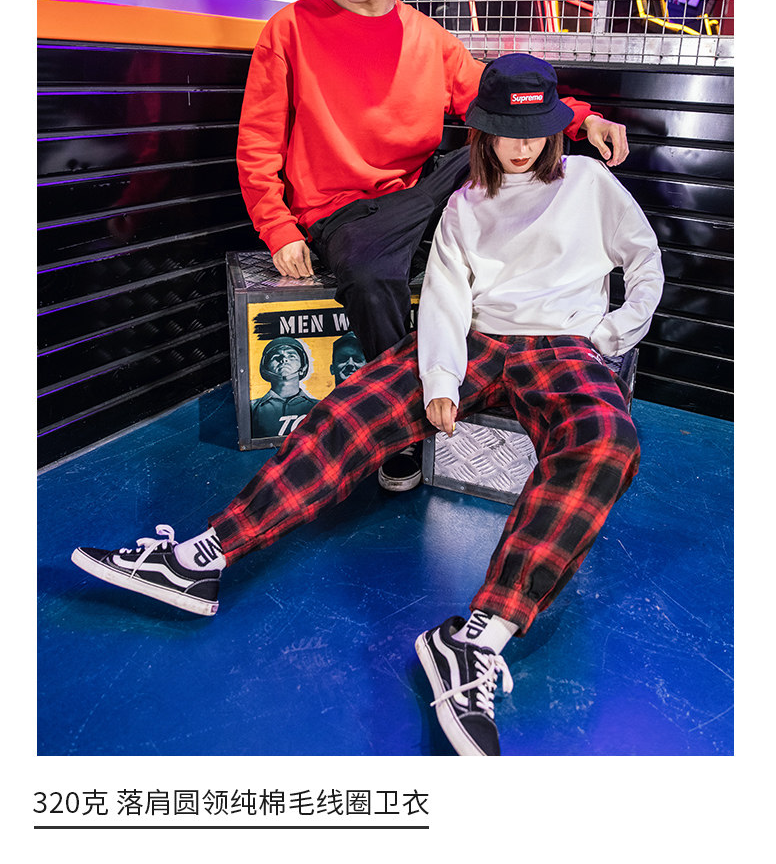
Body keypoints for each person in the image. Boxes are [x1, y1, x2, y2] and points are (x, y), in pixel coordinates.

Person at [72, 54, 663, 757]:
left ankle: (478, 638)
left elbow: (644, 259)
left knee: (606, 442)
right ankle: (201, 558)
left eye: (534, 129)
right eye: (507, 129)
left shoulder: (589, 182)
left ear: (555, 128)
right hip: (476, 339)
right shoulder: (465, 203)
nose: (521, 144)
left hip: (565, 347)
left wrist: (610, 334)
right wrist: (440, 379)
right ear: (483, 129)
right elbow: (445, 296)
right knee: (349, 413)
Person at [236, 0, 630, 490]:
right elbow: (258, 141)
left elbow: (500, 103)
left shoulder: (431, 40)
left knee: (509, 154)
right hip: (341, 211)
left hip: (418, 195)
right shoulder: (292, 29)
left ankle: (542, 318)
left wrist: (585, 121)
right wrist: (279, 229)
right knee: (369, 273)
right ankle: (402, 422)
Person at [250, 336, 317, 437]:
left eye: (291, 356)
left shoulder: (319, 407)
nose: (284, 360)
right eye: (276, 356)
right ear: (265, 368)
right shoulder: (251, 408)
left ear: (303, 367)